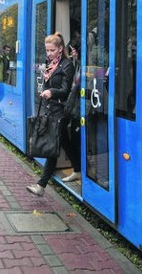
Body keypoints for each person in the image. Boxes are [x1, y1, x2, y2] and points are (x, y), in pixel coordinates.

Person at [26, 32, 75, 196]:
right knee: (65, 142)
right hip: (49, 109)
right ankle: (78, 168)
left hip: (60, 111)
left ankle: (41, 186)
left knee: (52, 146)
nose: (49, 54)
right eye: (47, 50)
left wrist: (51, 92)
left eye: (52, 50)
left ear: (60, 49)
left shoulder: (67, 65)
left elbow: (65, 90)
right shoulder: (50, 64)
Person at [61, 41, 82, 182]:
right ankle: (78, 169)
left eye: (74, 50)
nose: (72, 52)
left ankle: (78, 169)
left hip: (77, 109)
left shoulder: (81, 66)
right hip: (73, 108)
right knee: (69, 138)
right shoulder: (77, 64)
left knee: (74, 140)